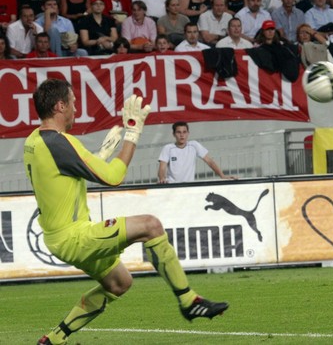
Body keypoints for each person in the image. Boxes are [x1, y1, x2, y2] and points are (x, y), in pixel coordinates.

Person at [27, 80, 229, 345]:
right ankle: (189, 301)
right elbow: (113, 177)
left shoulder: (33, 141)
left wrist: (98, 155)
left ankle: (54, 339)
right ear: (60, 106)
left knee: (119, 283)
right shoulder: (59, 142)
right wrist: (133, 133)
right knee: (151, 225)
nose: (76, 108)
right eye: (73, 102)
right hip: (74, 237)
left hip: (57, 238)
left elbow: (61, 176)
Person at [158, 121, 237, 183]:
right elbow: (162, 168)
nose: (182, 135)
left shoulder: (194, 145)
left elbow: (210, 161)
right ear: (174, 134)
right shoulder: (168, 148)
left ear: (188, 133)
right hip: (172, 187)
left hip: (189, 186)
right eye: (179, 132)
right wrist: (162, 178)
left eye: (184, 132)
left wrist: (222, 176)